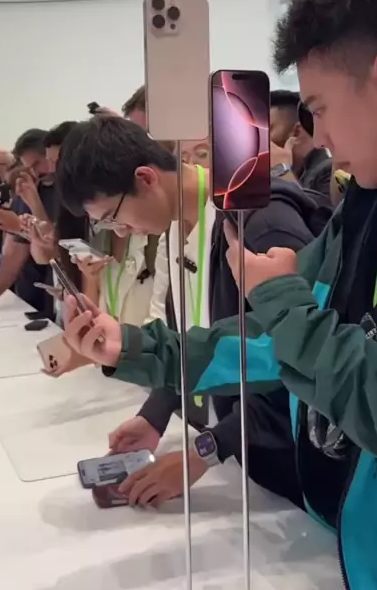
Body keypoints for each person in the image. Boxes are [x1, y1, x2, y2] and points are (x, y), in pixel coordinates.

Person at [63, 0, 377, 590]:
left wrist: (281, 302)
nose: (316, 136)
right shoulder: (363, 206)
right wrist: (135, 349)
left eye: (321, 108)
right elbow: (266, 344)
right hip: (344, 546)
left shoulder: (275, 217)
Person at [57, 116, 325, 506]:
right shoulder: (174, 225)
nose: (120, 231)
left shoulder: (260, 221)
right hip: (240, 464)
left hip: (290, 476)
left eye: (113, 217)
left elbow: (302, 363)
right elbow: (197, 338)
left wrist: (206, 451)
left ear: (146, 179)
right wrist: (156, 413)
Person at [0, 128, 55, 316]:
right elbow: (16, 250)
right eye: (29, 167)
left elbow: (56, 244)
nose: (35, 172)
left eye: (37, 163)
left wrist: (20, 224)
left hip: (56, 289)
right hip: (31, 288)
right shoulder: (29, 188)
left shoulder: (67, 190)